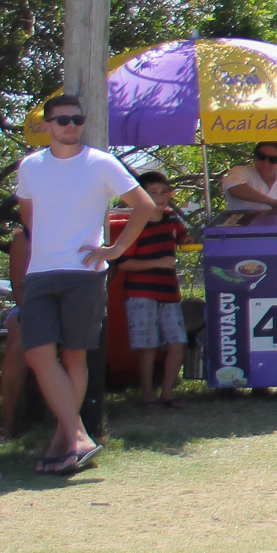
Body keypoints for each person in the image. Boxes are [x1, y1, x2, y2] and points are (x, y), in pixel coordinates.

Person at [16, 94, 157, 476]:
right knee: (38, 354)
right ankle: (78, 435)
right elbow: (29, 216)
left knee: (74, 357)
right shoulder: (30, 167)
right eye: (61, 120)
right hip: (41, 272)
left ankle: (63, 443)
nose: (70, 126)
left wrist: (115, 250)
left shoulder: (102, 163)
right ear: (46, 126)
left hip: (85, 273)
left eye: (77, 119)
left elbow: (144, 205)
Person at [114, 170, 192, 408]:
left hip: (169, 292)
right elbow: (123, 262)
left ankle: (168, 394)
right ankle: (148, 396)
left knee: (178, 342)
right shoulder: (136, 224)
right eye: (153, 193)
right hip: (141, 293)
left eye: (164, 192)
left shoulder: (173, 221)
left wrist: (187, 241)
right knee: (148, 346)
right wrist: (157, 263)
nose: (160, 197)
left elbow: (182, 237)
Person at [222, 142, 277, 214]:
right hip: (241, 229)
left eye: (273, 159)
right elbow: (233, 187)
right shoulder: (241, 171)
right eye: (261, 157)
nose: (265, 163)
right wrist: (272, 202)